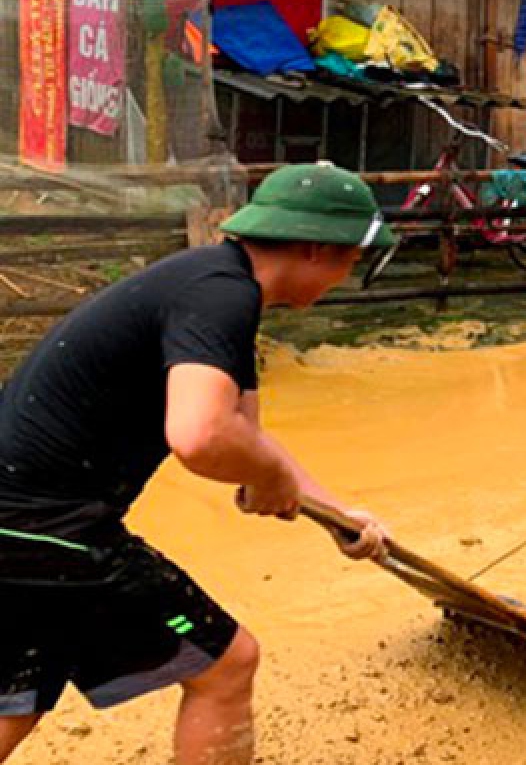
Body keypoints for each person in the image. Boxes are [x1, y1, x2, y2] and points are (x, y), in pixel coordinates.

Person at [0, 163, 391, 765]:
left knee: (17, 697)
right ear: (317, 249)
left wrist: (340, 515)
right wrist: (267, 477)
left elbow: (246, 438)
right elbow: (201, 434)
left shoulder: (213, 287)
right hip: (51, 527)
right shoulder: (221, 295)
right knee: (226, 665)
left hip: (23, 524)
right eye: (351, 261)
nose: (346, 278)